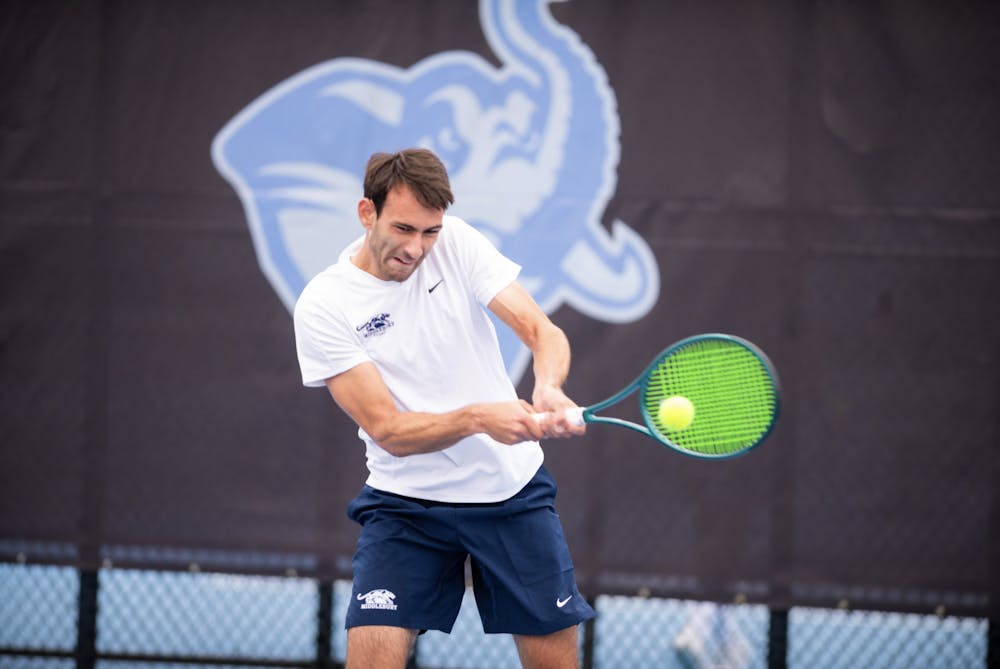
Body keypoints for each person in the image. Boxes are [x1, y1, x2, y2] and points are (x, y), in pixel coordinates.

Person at [293, 148, 595, 669]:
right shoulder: (325, 305)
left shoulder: (457, 244)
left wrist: (549, 385)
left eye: (430, 231)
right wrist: (478, 418)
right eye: (404, 229)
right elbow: (388, 429)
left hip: (511, 495)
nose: (417, 248)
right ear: (368, 214)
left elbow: (542, 331)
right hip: (406, 507)